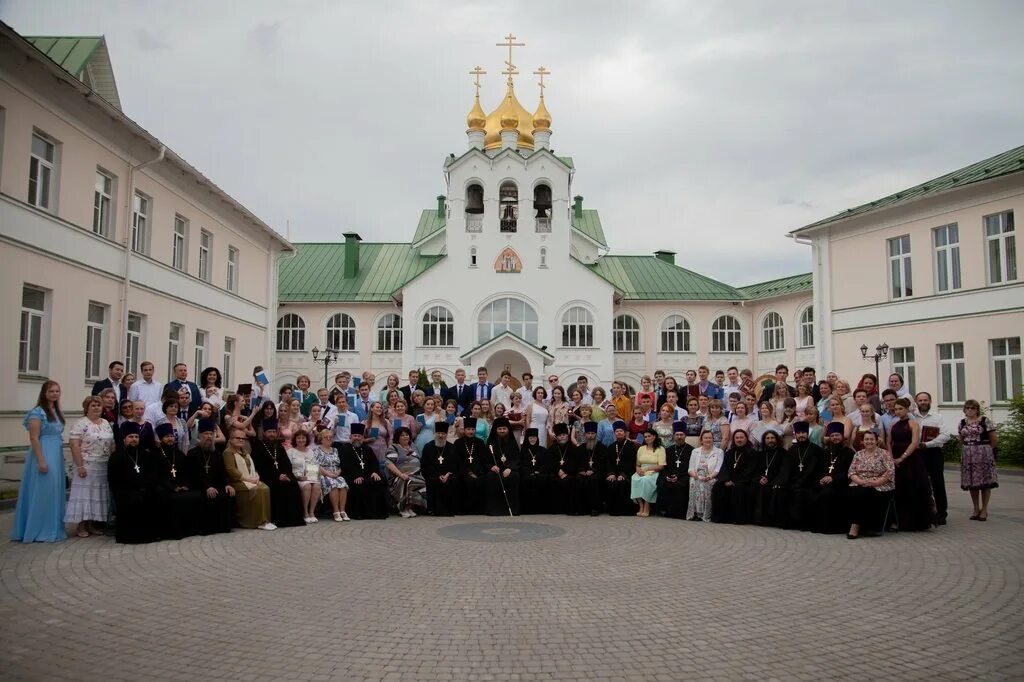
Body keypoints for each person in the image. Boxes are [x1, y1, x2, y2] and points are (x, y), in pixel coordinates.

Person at [11, 381, 67, 543]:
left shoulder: (56, 411)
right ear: (44, 393)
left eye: (57, 391)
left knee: (54, 491)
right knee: (43, 490)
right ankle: (37, 528)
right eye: (51, 391)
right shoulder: (37, 413)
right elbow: (34, 438)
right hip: (43, 452)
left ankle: (52, 527)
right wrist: (41, 460)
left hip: (56, 452)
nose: (55, 394)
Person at [65, 396, 114, 538]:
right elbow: (74, 445)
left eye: (99, 405)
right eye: (93, 405)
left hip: (102, 464)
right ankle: (81, 526)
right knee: (84, 496)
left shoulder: (105, 422)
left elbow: (111, 444)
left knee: (96, 495)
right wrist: (80, 465)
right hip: (86, 464)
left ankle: (92, 524)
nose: (97, 408)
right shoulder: (80, 423)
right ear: (87, 408)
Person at [107, 422, 160, 543]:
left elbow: (152, 475)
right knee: (131, 500)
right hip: (126, 492)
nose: (134, 440)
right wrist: (132, 489)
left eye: (136, 437)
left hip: (144, 490)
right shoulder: (116, 457)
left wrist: (144, 487)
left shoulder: (145, 454)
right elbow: (114, 480)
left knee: (153, 496)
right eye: (131, 437)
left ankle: (150, 535)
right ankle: (130, 537)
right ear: (124, 439)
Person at [152, 422, 205, 539]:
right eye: (167, 437)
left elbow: (187, 472)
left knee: (196, 495)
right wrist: (172, 487)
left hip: (181, 486)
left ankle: (192, 530)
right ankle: (170, 532)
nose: (170, 439)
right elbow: (156, 476)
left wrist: (185, 485)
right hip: (165, 487)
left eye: (171, 436)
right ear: (161, 439)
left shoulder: (179, 454)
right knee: (164, 496)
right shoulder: (155, 455)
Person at [249, 420, 306, 527]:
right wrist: (277, 476)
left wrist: (287, 476)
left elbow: (287, 464)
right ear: (265, 433)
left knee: (293, 485)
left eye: (274, 432)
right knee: (279, 487)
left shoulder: (279, 446)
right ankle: (279, 519)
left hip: (282, 476)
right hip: (267, 477)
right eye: (269, 432)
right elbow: (258, 466)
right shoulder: (258, 446)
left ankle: (294, 519)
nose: (272, 434)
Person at [888, 397, 931, 532]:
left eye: (901, 409)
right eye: (896, 409)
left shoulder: (913, 423)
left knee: (913, 490)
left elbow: (914, 443)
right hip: (895, 459)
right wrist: (891, 457)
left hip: (911, 460)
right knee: (899, 491)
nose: (898, 411)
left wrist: (902, 457)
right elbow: (889, 441)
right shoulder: (893, 424)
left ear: (907, 409)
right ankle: (899, 521)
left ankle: (915, 522)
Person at [187, 418, 235, 535]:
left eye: (211, 434)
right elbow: (193, 475)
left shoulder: (217, 453)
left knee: (225, 495)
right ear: (200, 435)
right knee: (208, 496)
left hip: (215, 485)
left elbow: (223, 473)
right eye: (206, 434)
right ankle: (206, 529)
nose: (209, 436)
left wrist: (228, 484)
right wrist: (207, 487)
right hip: (199, 486)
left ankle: (223, 527)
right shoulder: (193, 453)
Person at [845, 430, 895, 539]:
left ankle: (856, 527)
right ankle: (856, 525)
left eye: (872, 439)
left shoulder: (884, 454)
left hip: (881, 485)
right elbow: (851, 472)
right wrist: (861, 482)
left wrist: (875, 483)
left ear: (877, 441)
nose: (869, 441)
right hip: (860, 483)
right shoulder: (858, 454)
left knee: (864, 494)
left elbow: (889, 472)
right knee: (852, 494)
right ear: (862, 441)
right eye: (866, 439)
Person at [772, 421, 822, 529]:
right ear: (795, 434)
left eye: (803, 432)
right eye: (798, 433)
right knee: (782, 490)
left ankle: (801, 523)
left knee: (800, 492)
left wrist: (801, 482)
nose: (801, 435)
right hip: (793, 481)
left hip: (810, 482)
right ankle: (787, 522)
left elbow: (814, 469)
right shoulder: (792, 449)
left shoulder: (815, 449)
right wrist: (782, 482)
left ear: (807, 433)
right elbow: (785, 468)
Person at [222, 429, 275, 530]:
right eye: (238, 438)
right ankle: (255, 522)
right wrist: (250, 480)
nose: (241, 440)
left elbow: (252, 467)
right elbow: (231, 471)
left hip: (248, 480)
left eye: (243, 438)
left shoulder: (245, 452)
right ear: (231, 440)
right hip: (236, 482)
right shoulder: (228, 453)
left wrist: (256, 477)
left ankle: (265, 520)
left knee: (265, 487)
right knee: (259, 489)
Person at [809, 422, 855, 534]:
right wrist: (820, 479)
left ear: (842, 437)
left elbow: (850, 472)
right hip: (824, 484)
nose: (835, 438)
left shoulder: (849, 453)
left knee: (827, 495)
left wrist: (833, 478)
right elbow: (817, 470)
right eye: (832, 435)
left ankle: (832, 528)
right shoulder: (824, 453)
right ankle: (817, 526)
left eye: (837, 435)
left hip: (841, 485)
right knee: (812, 493)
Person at [958, 399, 998, 522]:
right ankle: (976, 508)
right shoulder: (962, 422)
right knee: (972, 482)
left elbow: (994, 439)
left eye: (973, 408)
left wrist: (988, 451)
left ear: (977, 409)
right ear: (964, 410)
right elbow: (961, 438)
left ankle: (984, 509)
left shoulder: (985, 421)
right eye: (968, 408)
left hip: (983, 453)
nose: (970, 410)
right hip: (968, 454)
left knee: (985, 482)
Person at [915, 391, 951, 524]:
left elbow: (945, 435)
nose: (923, 403)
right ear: (916, 402)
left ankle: (942, 513)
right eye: (920, 400)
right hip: (918, 453)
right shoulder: (913, 417)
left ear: (930, 401)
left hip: (934, 452)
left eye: (925, 400)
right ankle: (925, 513)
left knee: (938, 483)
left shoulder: (938, 417)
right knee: (921, 483)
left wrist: (928, 444)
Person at [339, 423, 388, 519]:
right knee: (359, 484)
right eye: (354, 436)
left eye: (359, 436)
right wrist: (356, 475)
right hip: (351, 476)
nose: (356, 438)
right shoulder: (345, 449)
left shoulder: (367, 449)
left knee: (379, 481)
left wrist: (374, 472)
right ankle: (358, 513)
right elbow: (345, 465)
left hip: (368, 474)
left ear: (362, 437)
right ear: (350, 437)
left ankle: (376, 513)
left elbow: (374, 462)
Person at [710, 429, 757, 524]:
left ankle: (737, 518)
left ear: (746, 439)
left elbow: (750, 470)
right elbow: (724, 468)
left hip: (744, 481)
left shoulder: (752, 453)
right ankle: (721, 518)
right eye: (737, 438)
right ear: (734, 439)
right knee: (718, 487)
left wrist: (734, 481)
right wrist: (726, 480)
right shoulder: (729, 453)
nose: (739, 440)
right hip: (729, 480)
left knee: (738, 488)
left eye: (741, 437)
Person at [566, 421, 605, 516]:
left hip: (596, 472)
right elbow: (576, 462)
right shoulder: (580, 447)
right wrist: (582, 470)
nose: (590, 436)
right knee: (578, 479)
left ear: (596, 434)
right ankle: (580, 509)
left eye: (592, 433)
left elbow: (603, 463)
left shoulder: (601, 447)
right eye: (588, 433)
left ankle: (594, 508)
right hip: (583, 472)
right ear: (585, 435)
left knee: (594, 480)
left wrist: (593, 470)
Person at [385, 427, 426, 518]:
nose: (405, 437)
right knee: (408, 482)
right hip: (398, 476)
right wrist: (401, 474)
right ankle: (402, 508)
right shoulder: (394, 447)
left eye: (407, 435)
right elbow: (389, 463)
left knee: (420, 482)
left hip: (415, 475)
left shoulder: (413, 446)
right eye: (402, 435)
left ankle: (409, 507)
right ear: (397, 437)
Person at [421, 420, 458, 516]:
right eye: (438, 433)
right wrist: (438, 475)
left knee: (452, 481)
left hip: (448, 474)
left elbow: (455, 464)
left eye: (443, 433)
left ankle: (450, 509)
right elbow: (425, 464)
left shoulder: (452, 447)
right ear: (435, 434)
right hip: (433, 475)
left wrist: (448, 474)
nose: (440, 436)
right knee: (434, 481)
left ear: (446, 434)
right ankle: (433, 509)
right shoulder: (428, 447)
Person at [484, 417, 520, 515]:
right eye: (499, 429)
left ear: (508, 429)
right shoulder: (491, 442)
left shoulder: (512, 442)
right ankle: (494, 510)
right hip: (496, 470)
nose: (502, 431)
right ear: (496, 430)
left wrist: (510, 468)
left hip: (509, 469)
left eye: (504, 429)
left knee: (515, 476)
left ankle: (512, 510)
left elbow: (516, 458)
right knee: (490, 477)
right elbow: (486, 459)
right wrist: (491, 466)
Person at [313, 428, 350, 522]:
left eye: (331, 437)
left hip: (336, 474)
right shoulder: (316, 450)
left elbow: (341, 464)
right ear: (321, 439)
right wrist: (328, 474)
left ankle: (342, 510)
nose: (329, 438)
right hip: (323, 475)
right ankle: (336, 511)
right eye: (326, 437)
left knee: (343, 484)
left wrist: (338, 472)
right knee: (333, 484)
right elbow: (317, 465)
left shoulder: (335, 450)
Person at [603, 420, 638, 516]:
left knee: (622, 482)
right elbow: (608, 462)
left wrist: (623, 474)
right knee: (610, 481)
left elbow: (631, 462)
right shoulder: (611, 446)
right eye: (617, 431)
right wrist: (611, 473)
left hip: (627, 472)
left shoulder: (631, 445)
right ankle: (612, 509)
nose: (619, 433)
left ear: (625, 433)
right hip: (614, 473)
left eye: (621, 431)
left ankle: (623, 510)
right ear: (614, 433)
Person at [659, 422, 693, 519]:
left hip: (684, 476)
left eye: (681, 435)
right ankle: (668, 512)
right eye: (677, 435)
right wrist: (667, 476)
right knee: (666, 484)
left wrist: (679, 476)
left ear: (685, 436)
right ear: (673, 436)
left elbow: (691, 466)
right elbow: (665, 467)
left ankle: (681, 514)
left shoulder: (691, 450)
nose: (679, 437)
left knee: (680, 485)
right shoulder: (668, 450)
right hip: (670, 476)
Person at [686, 430, 723, 522]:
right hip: (696, 476)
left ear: (713, 439)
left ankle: (704, 514)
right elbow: (690, 468)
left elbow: (717, 469)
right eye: (705, 438)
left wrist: (710, 477)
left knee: (706, 483)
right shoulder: (695, 451)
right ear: (701, 440)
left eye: (710, 438)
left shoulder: (719, 452)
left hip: (711, 477)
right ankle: (694, 513)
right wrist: (695, 475)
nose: (708, 440)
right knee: (694, 482)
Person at [287, 429, 322, 523]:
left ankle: (312, 512)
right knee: (307, 486)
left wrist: (311, 476)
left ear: (307, 440)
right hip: (297, 477)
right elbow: (287, 468)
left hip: (310, 476)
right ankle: (305, 512)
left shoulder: (310, 451)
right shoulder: (290, 452)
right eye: (298, 438)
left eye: (303, 438)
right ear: (295, 440)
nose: (301, 440)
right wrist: (298, 477)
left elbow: (315, 465)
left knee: (317, 485)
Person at [454, 417, 487, 514]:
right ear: (464, 430)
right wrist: (469, 472)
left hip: (478, 471)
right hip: (463, 472)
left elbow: (483, 459)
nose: (470, 432)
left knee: (481, 480)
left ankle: (479, 510)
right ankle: (466, 510)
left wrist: (477, 472)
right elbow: (457, 461)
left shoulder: (480, 442)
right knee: (467, 481)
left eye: (472, 429)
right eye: (468, 429)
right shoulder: (458, 443)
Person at [519, 428, 555, 514]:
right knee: (525, 480)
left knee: (544, 479)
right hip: (527, 474)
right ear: (527, 439)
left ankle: (541, 509)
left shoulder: (543, 450)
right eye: (530, 438)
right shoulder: (522, 451)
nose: (532, 439)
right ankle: (527, 509)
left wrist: (539, 471)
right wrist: (530, 472)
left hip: (540, 473)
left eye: (534, 438)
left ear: (537, 438)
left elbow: (547, 464)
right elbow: (521, 464)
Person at [753, 431, 785, 525]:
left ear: (777, 439)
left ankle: (770, 519)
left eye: (772, 438)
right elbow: (756, 469)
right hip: (761, 480)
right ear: (764, 440)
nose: (770, 440)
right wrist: (760, 477)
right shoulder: (761, 453)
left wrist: (769, 479)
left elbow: (783, 470)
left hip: (776, 480)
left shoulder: (783, 453)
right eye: (767, 438)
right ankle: (759, 518)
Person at [630, 430, 664, 517]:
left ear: (654, 436)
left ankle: (647, 505)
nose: (647, 438)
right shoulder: (641, 448)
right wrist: (638, 470)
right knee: (634, 478)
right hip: (641, 470)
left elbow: (661, 466)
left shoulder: (660, 449)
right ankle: (641, 506)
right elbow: (637, 464)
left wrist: (647, 469)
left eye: (649, 436)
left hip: (654, 470)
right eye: (645, 437)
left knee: (646, 480)